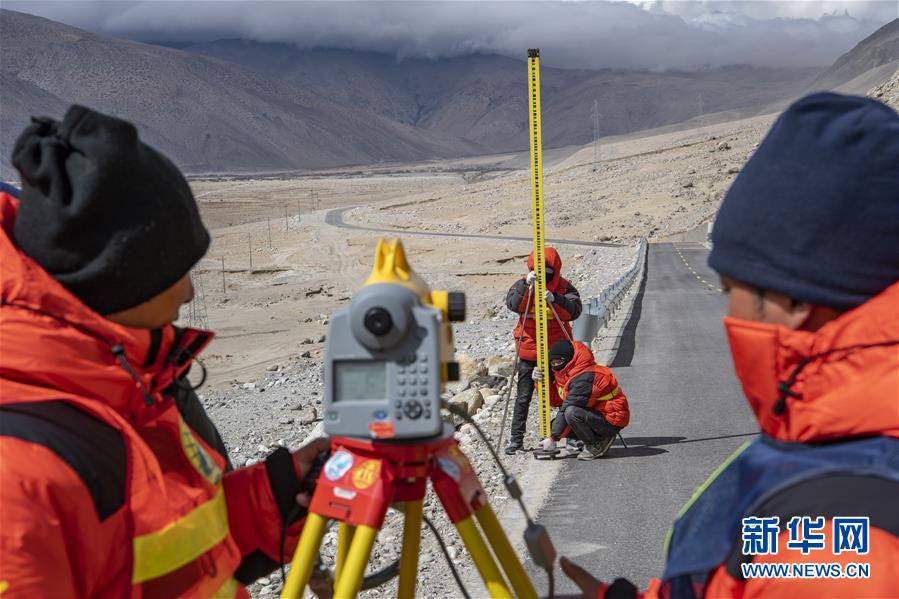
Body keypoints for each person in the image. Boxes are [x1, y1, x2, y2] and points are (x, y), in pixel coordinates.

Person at [559, 93, 899, 598]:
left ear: (789, 299)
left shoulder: (843, 542)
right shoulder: (831, 445)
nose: (728, 318)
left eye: (730, 293)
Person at [0, 106, 328, 597]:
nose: (190, 294)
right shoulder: (20, 474)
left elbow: (169, 547)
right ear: (124, 280)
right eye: (177, 270)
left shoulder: (132, 385)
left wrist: (279, 493)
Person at [504, 247, 582, 454]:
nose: (544, 277)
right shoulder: (524, 284)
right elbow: (512, 304)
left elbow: (574, 311)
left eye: (548, 272)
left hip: (557, 353)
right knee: (523, 397)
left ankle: (571, 437)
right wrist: (525, 286)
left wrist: (556, 299)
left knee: (566, 395)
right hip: (530, 351)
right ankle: (516, 440)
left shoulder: (565, 288)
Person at [534, 339, 629, 460]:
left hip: (612, 418)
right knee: (556, 424)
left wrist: (553, 439)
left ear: (569, 359)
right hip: (596, 414)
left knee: (571, 413)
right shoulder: (567, 373)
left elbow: (567, 407)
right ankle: (594, 438)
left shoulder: (585, 377)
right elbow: (556, 401)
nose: (556, 365)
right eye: (553, 362)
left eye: (559, 361)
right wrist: (541, 381)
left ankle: (597, 444)